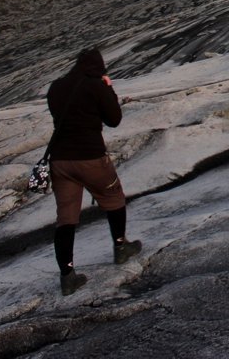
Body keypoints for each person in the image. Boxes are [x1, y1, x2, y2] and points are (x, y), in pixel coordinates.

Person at [45, 47, 141, 295]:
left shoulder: (55, 87)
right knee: (113, 198)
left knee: (66, 218)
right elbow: (114, 119)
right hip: (90, 157)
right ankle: (121, 247)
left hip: (61, 161)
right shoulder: (96, 85)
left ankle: (67, 276)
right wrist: (108, 88)